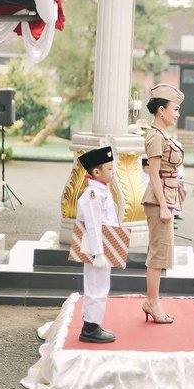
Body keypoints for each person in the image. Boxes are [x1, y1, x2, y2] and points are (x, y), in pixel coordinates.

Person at [141, 83, 184, 324]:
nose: (178, 114)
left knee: (162, 253)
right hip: (159, 201)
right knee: (157, 255)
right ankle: (152, 302)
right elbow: (153, 173)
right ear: (161, 111)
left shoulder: (164, 135)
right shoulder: (155, 136)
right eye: (175, 109)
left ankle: (154, 301)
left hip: (166, 199)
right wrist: (165, 206)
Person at [76, 146, 117, 343]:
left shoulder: (102, 190)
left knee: (100, 284)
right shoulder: (93, 194)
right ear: (96, 172)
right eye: (109, 169)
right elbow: (92, 225)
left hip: (104, 246)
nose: (113, 171)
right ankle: (90, 328)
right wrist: (99, 253)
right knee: (95, 285)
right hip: (96, 249)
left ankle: (92, 323)